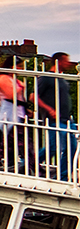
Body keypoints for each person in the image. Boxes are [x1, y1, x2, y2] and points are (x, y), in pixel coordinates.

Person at [35, 52, 76, 180]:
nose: (68, 64)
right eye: (66, 61)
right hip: (53, 119)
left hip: (66, 119)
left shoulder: (61, 78)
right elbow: (34, 96)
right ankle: (28, 163)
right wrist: (49, 109)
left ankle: (64, 175)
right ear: (58, 61)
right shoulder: (47, 77)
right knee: (53, 148)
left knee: (72, 147)